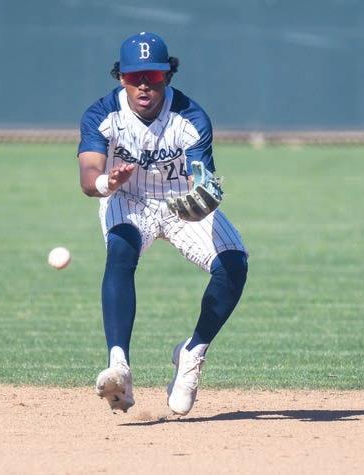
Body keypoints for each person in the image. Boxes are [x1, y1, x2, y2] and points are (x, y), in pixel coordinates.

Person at [77, 32, 248, 415]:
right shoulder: (102, 115)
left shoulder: (190, 117)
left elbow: (203, 179)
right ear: (120, 77)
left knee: (234, 263)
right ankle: (119, 366)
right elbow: (88, 178)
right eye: (134, 76)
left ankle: (192, 353)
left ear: (167, 76)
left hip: (179, 202)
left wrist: (203, 196)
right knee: (121, 251)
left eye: (153, 76)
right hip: (127, 198)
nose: (143, 85)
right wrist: (107, 181)